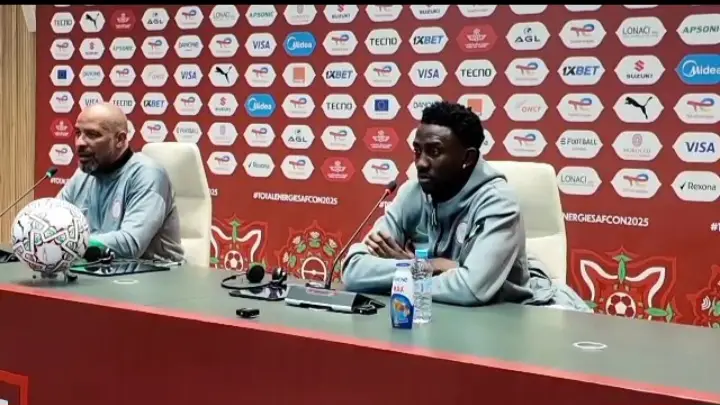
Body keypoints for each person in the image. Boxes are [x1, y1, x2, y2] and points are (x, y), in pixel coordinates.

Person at [341, 101, 590, 312]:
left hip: (515, 314)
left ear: (467, 158)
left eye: (434, 152)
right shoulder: (412, 192)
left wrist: (412, 270)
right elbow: (354, 270)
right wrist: (424, 266)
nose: (421, 163)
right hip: (442, 312)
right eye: (417, 151)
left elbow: (471, 288)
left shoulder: (497, 201)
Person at [57, 102, 184, 263]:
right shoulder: (83, 175)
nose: (80, 142)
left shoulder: (148, 174)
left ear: (120, 139)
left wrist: (68, 243)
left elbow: (130, 244)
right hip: (99, 271)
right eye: (77, 133)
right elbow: (53, 221)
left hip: (154, 272)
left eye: (92, 135)